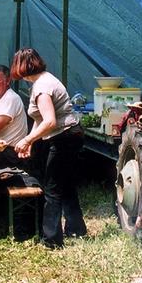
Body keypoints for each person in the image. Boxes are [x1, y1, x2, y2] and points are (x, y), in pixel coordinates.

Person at [11, 48, 87, 248]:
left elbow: (50, 121)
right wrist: (33, 140)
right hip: (69, 135)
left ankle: (51, 240)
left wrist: (27, 140)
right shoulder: (43, 80)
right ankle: (76, 229)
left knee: (52, 189)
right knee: (66, 185)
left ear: (22, 67)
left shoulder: (42, 88)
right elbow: (39, 119)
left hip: (65, 137)